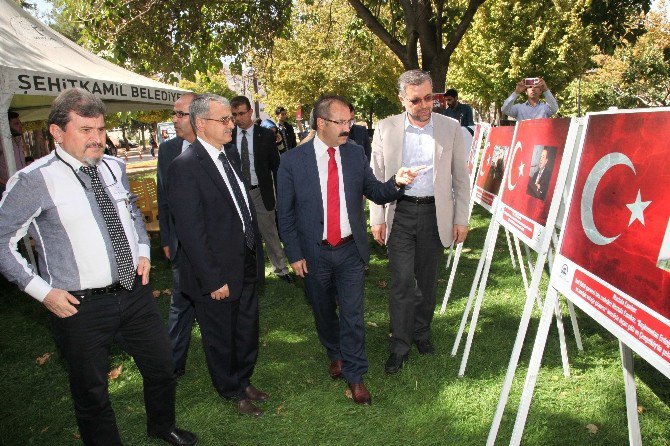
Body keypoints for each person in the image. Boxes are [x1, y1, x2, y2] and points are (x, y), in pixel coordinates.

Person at [0, 89, 196, 446]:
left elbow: (131, 212)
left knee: (162, 364)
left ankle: (162, 426)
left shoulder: (113, 166)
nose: (97, 138)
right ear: (57, 133)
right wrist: (43, 293)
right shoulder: (33, 181)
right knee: (92, 392)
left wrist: (142, 250)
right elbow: (2, 242)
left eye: (101, 129)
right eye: (85, 129)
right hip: (78, 305)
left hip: (133, 293)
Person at [276, 95, 421, 405]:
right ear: (321, 123)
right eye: (340, 122)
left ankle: (356, 376)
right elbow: (285, 216)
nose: (347, 128)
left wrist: (396, 182)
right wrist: (295, 254)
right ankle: (335, 352)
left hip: (349, 251)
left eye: (349, 122)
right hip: (313, 253)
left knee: (353, 315)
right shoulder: (292, 162)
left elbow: (376, 192)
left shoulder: (355, 154)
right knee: (324, 310)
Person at [167, 94, 267, 417]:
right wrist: (213, 278)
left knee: (247, 327)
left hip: (246, 260)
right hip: (217, 273)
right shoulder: (185, 167)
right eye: (223, 120)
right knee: (221, 336)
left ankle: (244, 377)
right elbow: (191, 233)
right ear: (200, 125)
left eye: (230, 119)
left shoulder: (230, 155)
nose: (231, 124)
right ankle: (231, 389)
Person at [370, 70, 470, 374]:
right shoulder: (385, 128)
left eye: (429, 98)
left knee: (427, 280)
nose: (425, 105)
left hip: (434, 214)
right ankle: (400, 344)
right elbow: (376, 176)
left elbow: (460, 178)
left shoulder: (450, 128)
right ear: (402, 99)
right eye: (416, 100)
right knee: (401, 280)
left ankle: (422, 333)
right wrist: (377, 218)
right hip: (399, 213)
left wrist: (461, 218)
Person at [227, 96, 294, 284]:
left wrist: (282, 192)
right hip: (236, 193)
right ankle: (247, 270)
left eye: (241, 113)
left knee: (269, 232)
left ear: (250, 112)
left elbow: (276, 166)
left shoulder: (264, 135)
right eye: (234, 115)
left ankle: (281, 269)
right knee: (240, 234)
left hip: (260, 192)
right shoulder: (227, 136)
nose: (238, 118)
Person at [156, 92, 198, 378]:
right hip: (181, 244)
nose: (175, 119)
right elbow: (164, 196)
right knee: (180, 303)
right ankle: (174, 362)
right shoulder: (168, 149)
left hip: (212, 243)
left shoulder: (219, 147)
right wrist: (167, 237)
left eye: (181, 114)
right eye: (175, 113)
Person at [0, 111, 27, 195]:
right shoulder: (2, 142)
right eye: (16, 124)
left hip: (20, 184)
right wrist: (4, 182)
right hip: (5, 187)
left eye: (19, 123)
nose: (20, 126)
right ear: (7, 126)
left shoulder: (19, 140)